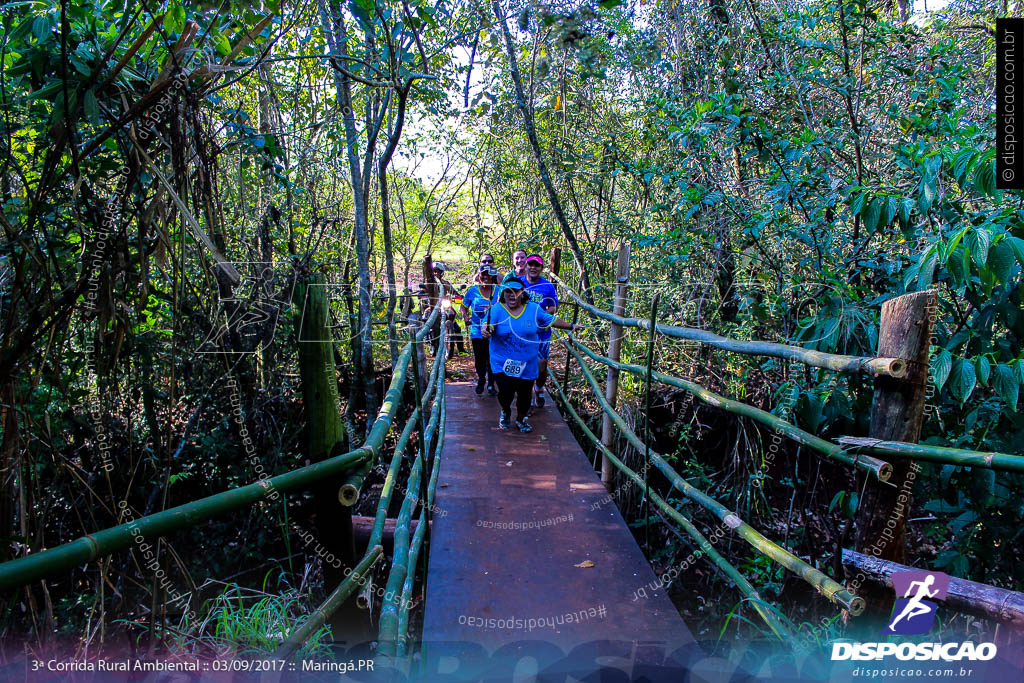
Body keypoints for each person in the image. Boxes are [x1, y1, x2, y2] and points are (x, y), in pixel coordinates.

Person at [483, 274, 583, 432]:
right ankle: (506, 410)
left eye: (515, 291)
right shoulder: (496, 310)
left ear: (522, 292)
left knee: (524, 394)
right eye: (507, 291)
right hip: (502, 362)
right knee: (505, 391)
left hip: (527, 363)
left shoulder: (533, 309)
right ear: (502, 294)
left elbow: (550, 320)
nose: (511, 294)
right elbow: (488, 325)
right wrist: (486, 331)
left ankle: (521, 418)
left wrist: (571, 326)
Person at [522, 254, 558, 409]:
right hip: (522, 332)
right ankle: (526, 395)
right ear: (526, 266)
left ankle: (538, 387)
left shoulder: (548, 286)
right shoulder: (519, 283)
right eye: (531, 264)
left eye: (537, 265)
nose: (533, 268)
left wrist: (541, 317)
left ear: (541, 268)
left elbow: (553, 307)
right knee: (524, 364)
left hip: (541, 332)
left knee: (541, 368)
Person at [462, 265, 499, 395]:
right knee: (479, 358)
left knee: (492, 357)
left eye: (488, 275)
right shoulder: (472, 291)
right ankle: (481, 379)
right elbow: (464, 306)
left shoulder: (499, 291)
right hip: (477, 330)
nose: (485, 277)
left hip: (494, 332)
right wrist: (466, 316)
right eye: (483, 274)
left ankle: (491, 384)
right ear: (479, 276)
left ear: (492, 276)